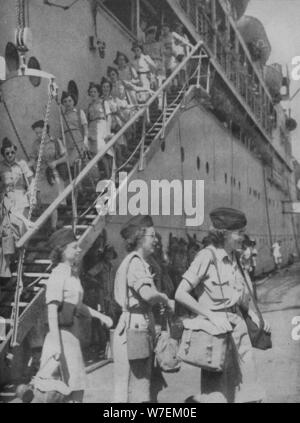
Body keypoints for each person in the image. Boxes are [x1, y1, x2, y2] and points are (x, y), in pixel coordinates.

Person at [175, 207, 270, 403]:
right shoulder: (207, 257)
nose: (243, 237)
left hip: (239, 333)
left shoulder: (234, 257)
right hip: (217, 336)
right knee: (218, 396)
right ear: (224, 234)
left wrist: (255, 316)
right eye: (239, 233)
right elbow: (180, 293)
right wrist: (210, 315)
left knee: (249, 393)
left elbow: (238, 297)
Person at [35, 228, 113, 403]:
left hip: (72, 336)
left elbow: (78, 306)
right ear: (62, 251)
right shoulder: (58, 274)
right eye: (74, 247)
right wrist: (56, 343)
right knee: (60, 391)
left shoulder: (72, 275)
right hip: (60, 336)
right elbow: (52, 309)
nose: (79, 250)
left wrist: (101, 316)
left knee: (76, 386)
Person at [113, 215, 174, 403]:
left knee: (136, 386)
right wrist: (165, 299)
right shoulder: (136, 262)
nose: (156, 240)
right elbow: (147, 294)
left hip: (137, 327)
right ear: (140, 237)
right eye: (152, 236)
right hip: (135, 330)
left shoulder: (135, 261)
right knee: (137, 388)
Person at [29, 120, 67, 233]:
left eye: (41, 132)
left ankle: (53, 227)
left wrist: (56, 162)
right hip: (41, 175)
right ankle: (49, 226)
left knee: (53, 203)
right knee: (45, 203)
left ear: (46, 131)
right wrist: (26, 165)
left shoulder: (55, 141)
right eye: (36, 133)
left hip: (52, 174)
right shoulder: (35, 144)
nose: (39, 135)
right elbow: (32, 159)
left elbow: (65, 156)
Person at [86, 82, 114, 179]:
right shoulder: (89, 106)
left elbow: (109, 116)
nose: (93, 93)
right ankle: (101, 177)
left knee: (104, 152)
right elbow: (88, 120)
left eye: (95, 91)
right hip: (92, 129)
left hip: (102, 127)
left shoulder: (103, 102)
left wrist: (108, 131)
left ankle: (109, 176)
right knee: (96, 154)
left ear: (98, 93)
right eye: (91, 92)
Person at [100, 77, 128, 168]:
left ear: (110, 88)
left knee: (121, 145)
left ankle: (123, 164)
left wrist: (125, 121)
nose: (105, 89)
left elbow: (118, 112)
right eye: (104, 87)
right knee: (115, 148)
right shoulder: (100, 101)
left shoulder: (113, 99)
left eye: (107, 87)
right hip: (107, 126)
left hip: (116, 123)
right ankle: (120, 167)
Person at [60, 91, 88, 176]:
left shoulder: (79, 112)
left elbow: (85, 128)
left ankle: (78, 185)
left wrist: (85, 142)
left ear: (73, 101)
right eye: (65, 101)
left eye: (70, 100)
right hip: (68, 145)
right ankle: (78, 186)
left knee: (72, 162)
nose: (68, 103)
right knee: (71, 165)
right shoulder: (62, 116)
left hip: (78, 143)